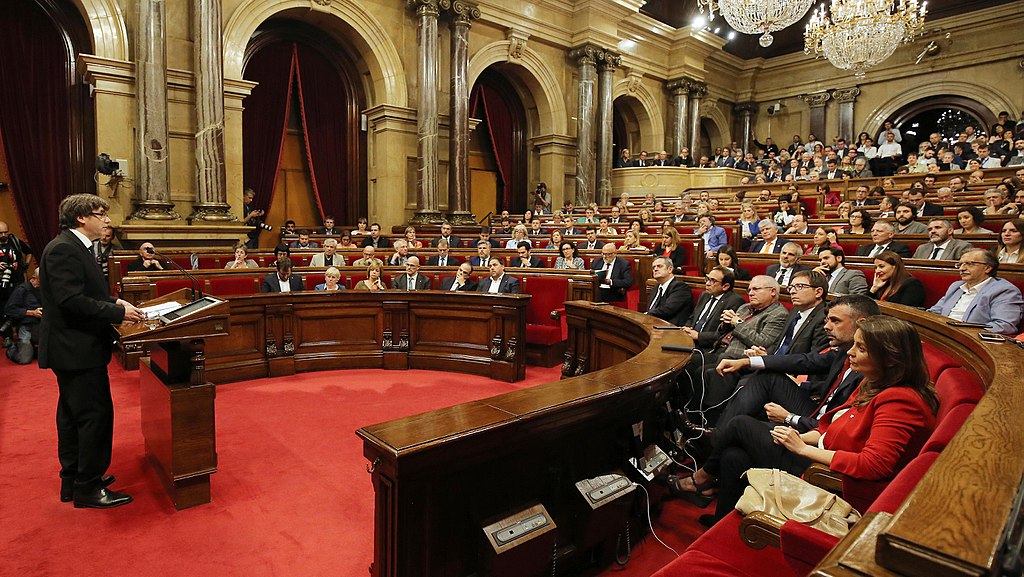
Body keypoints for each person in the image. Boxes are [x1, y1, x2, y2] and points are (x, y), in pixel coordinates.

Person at [680, 315, 937, 527]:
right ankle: (723, 526)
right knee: (733, 456)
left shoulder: (900, 401)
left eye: (861, 348)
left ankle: (701, 478)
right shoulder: (874, 381)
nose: (850, 352)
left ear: (890, 358)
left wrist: (802, 448)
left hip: (831, 477)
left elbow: (874, 465)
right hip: (818, 451)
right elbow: (830, 427)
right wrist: (801, 438)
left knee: (740, 425)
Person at [39, 194, 145, 508]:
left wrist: (115, 302)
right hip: (75, 348)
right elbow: (70, 300)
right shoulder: (64, 249)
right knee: (93, 416)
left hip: (75, 347)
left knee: (73, 415)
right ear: (82, 218)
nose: (108, 220)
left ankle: (74, 479)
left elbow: (82, 291)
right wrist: (117, 314)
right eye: (102, 214)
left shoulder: (73, 247)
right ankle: (88, 485)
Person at [928, 249, 1024, 334]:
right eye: (960, 264)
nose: (962, 268)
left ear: (988, 268)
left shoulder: (1004, 290)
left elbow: (1005, 325)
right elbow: (935, 312)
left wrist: (963, 331)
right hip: (942, 335)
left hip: (971, 342)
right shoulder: (956, 286)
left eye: (970, 264)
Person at [682, 267, 746, 347]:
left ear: (725, 286)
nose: (707, 283)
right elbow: (692, 317)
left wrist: (698, 336)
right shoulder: (705, 295)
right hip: (689, 340)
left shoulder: (734, 301)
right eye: (707, 279)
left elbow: (725, 334)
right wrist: (687, 328)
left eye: (713, 281)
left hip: (708, 347)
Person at [4, 268, 42, 364]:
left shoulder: (46, 289)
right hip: (26, 326)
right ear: (33, 278)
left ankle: (33, 349)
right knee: (24, 359)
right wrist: (31, 312)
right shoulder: (22, 290)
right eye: (40, 281)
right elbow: (9, 310)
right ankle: (12, 349)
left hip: (43, 326)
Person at [645, 256, 694, 326]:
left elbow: (668, 310)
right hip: (655, 325)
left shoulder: (680, 287)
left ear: (670, 269)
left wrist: (646, 315)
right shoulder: (656, 288)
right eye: (653, 267)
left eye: (659, 266)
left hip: (672, 329)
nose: (655, 269)